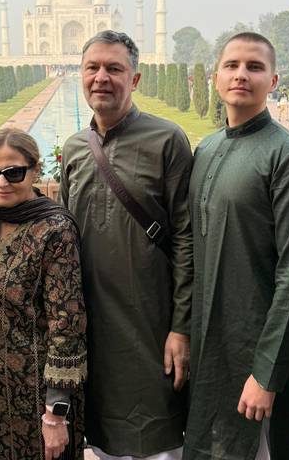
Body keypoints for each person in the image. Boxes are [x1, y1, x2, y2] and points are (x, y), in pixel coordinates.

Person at [184, 32, 289, 460]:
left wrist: (266, 375)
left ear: (273, 79)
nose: (241, 75)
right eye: (231, 66)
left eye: (254, 67)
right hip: (211, 349)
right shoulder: (208, 149)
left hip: (256, 356)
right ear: (215, 78)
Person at [59, 30, 193, 459]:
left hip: (151, 323)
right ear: (80, 75)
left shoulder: (166, 140)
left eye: (114, 68)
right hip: (93, 326)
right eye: (92, 68)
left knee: (159, 442)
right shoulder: (76, 147)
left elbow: (187, 238)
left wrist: (181, 327)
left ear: (134, 80)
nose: (102, 77)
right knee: (103, 442)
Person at [0, 127, 87, 460]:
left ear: (35, 171)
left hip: (37, 397)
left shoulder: (54, 229)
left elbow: (66, 326)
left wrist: (55, 414)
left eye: (14, 172)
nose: (1, 183)